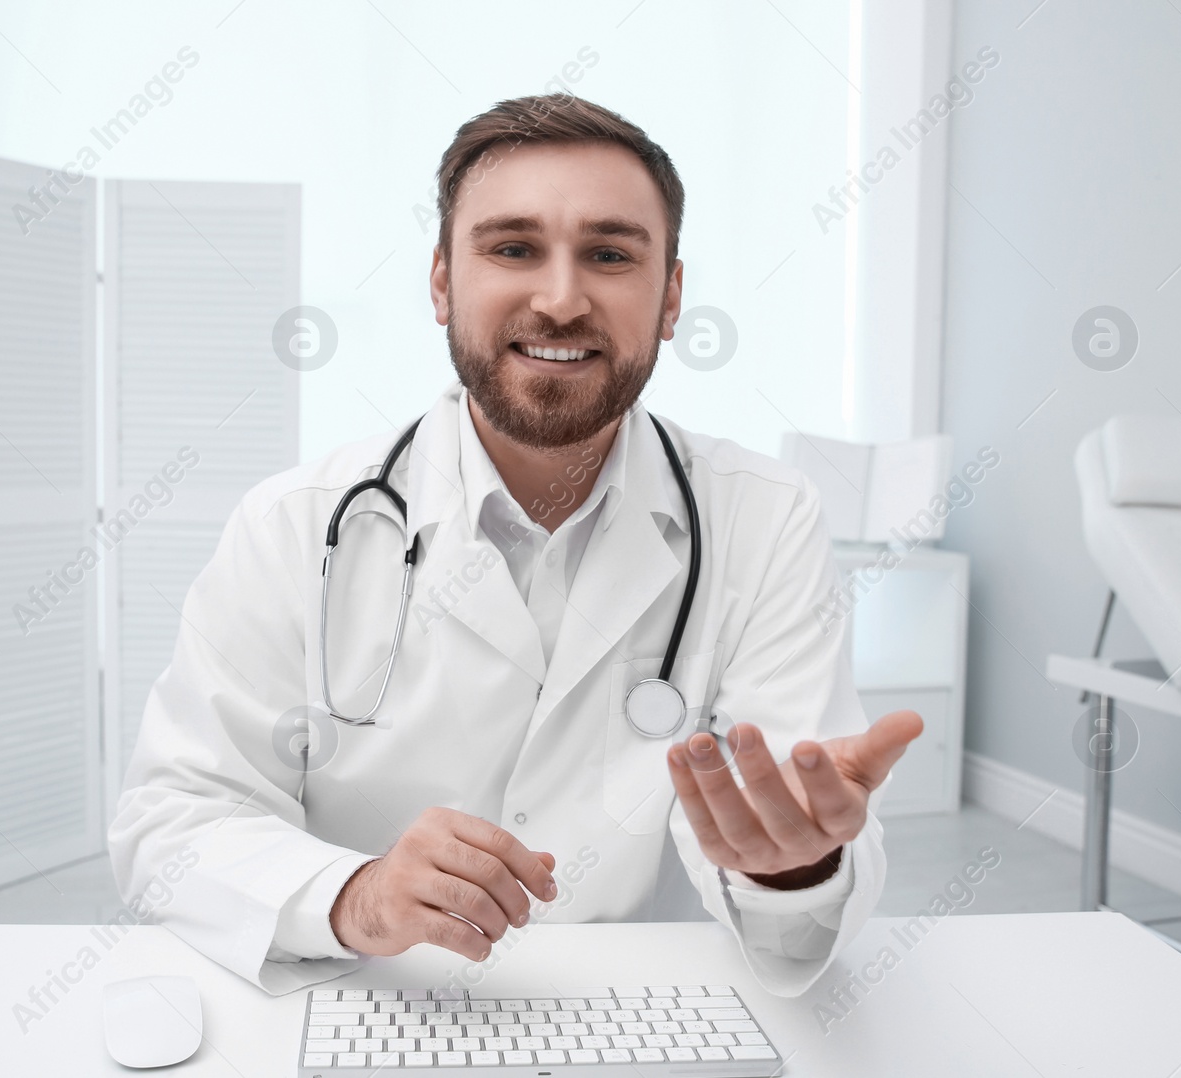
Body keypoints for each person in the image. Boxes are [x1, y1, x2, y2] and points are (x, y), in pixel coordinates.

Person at [108, 93, 922, 997]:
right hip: (374, 1002)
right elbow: (172, 824)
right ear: (442, 282)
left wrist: (789, 866)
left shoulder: (765, 520)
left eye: (610, 255)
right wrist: (355, 894)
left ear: (671, 298)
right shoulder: (293, 524)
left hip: (636, 1023)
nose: (561, 298)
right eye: (512, 248)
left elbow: (786, 824)